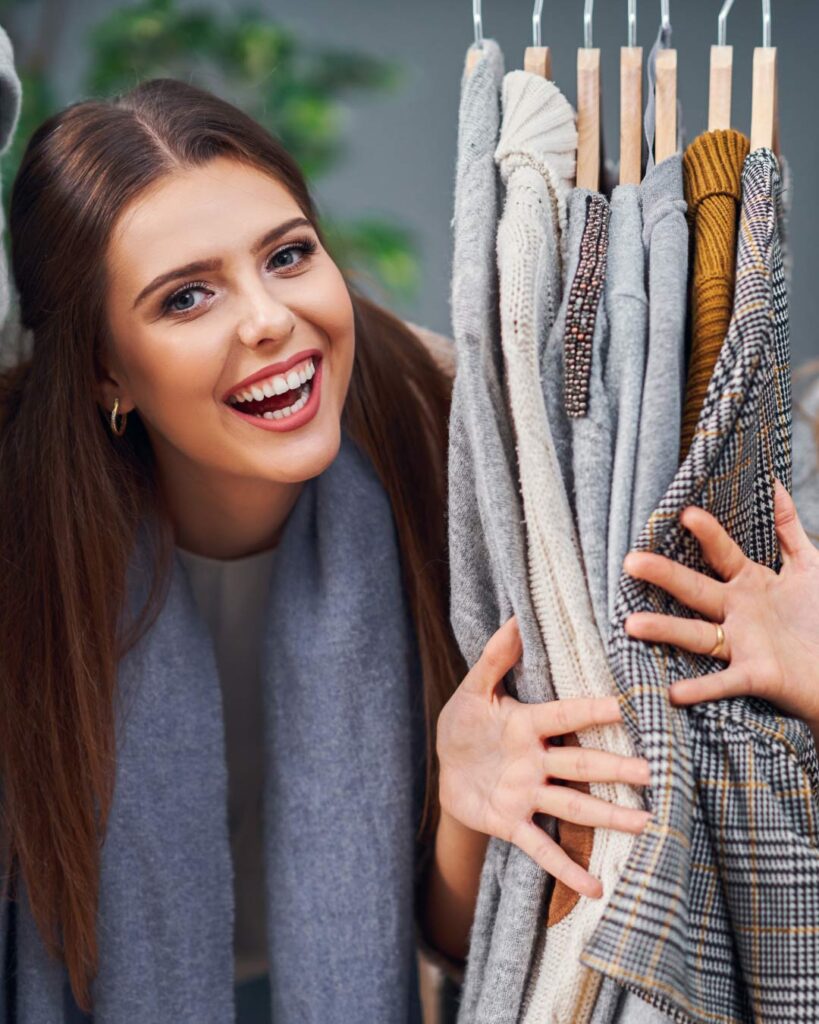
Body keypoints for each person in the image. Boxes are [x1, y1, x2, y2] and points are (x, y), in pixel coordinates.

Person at [0, 77, 651, 1021]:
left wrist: (469, 810)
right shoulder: (24, 530)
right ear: (107, 368)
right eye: (186, 297)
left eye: (288, 255)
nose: (267, 318)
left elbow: (463, 945)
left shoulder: (450, 438)